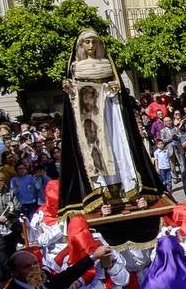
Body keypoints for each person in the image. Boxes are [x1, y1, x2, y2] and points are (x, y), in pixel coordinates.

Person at [59, 29, 164, 217]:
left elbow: (120, 92)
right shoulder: (76, 67)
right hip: (89, 116)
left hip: (111, 112)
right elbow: (73, 99)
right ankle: (102, 197)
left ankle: (132, 191)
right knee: (96, 152)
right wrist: (71, 90)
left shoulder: (107, 65)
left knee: (119, 148)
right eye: (87, 42)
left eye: (94, 42)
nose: (91, 46)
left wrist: (113, 90)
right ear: (81, 46)